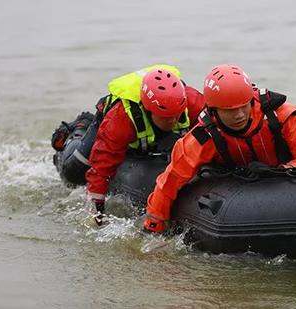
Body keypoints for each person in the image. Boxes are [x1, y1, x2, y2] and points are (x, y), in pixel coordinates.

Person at [142, 64, 296, 233]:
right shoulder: (204, 136)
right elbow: (170, 180)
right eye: (230, 110)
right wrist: (154, 225)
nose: (239, 115)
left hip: (285, 177)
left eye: (243, 106)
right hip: (233, 184)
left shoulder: (280, 115)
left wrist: (279, 172)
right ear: (214, 111)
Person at [51, 64, 205, 218]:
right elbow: (102, 165)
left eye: (176, 115)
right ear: (148, 109)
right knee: (74, 171)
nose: (173, 121)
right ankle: (82, 124)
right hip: (106, 123)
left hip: (150, 137)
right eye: (166, 117)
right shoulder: (121, 118)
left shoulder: (192, 102)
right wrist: (96, 209)